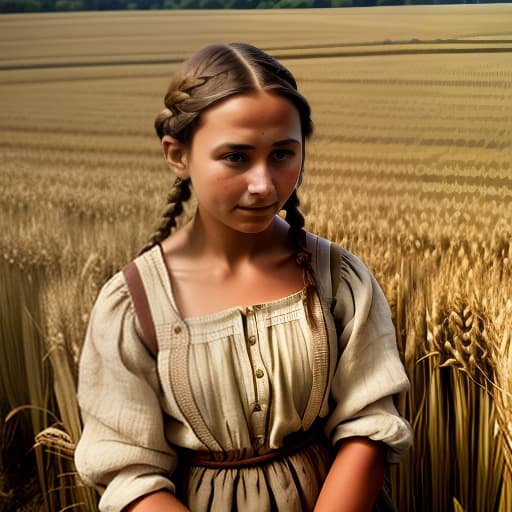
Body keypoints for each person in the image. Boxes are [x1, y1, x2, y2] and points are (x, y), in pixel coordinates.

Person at [74, 43, 413, 512]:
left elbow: (369, 423)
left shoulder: (339, 278)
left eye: (282, 154)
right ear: (177, 155)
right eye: (236, 157)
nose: (264, 184)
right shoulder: (133, 306)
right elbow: (130, 473)